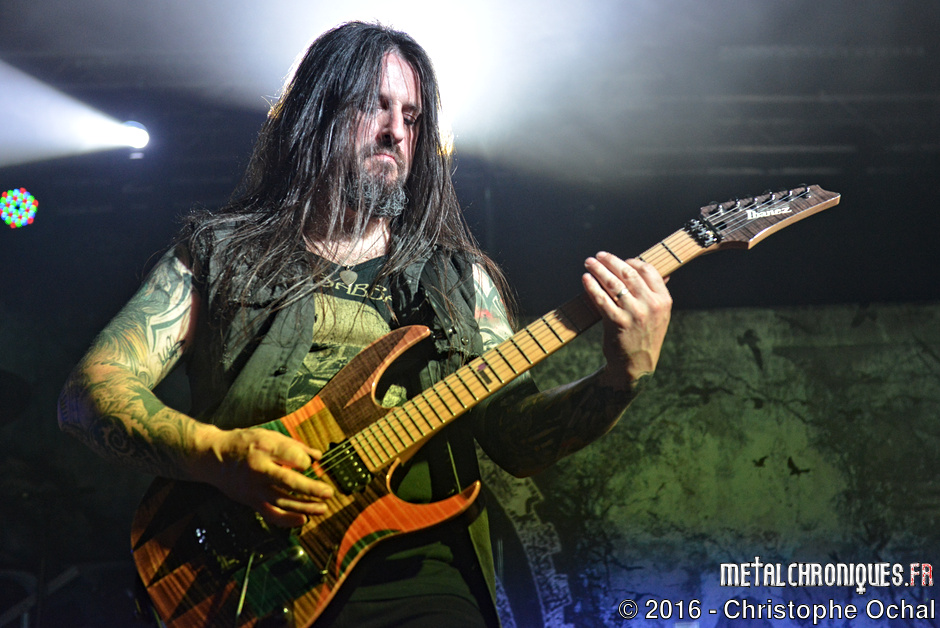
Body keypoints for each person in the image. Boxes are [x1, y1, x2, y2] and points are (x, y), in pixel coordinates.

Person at [57, 21, 671, 628]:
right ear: (316, 113)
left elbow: (518, 441)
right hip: (246, 574)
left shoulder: (459, 280)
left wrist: (621, 377)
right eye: (374, 105)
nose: (396, 131)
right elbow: (91, 391)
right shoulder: (219, 255)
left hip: (425, 581)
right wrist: (218, 456)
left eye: (412, 116)